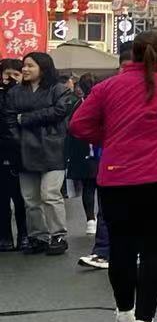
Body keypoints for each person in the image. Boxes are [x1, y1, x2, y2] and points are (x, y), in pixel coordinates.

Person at [69, 33, 157, 322]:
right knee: (155, 251)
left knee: (122, 248)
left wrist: (110, 138)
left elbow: (78, 125)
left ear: (134, 54)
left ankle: (124, 317)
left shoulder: (108, 86)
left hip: (115, 177)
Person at [4, 51, 79, 255]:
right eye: (24, 66)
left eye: (30, 66)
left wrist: (26, 118)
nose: (25, 69)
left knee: (50, 193)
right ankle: (38, 236)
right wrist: (17, 140)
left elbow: (60, 111)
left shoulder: (59, 89)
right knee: (30, 198)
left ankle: (58, 235)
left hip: (53, 148)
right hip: (24, 148)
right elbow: (10, 119)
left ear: (43, 68)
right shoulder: (15, 93)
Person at [64, 73, 100, 235]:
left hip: (83, 152)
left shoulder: (78, 104)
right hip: (103, 151)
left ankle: (90, 220)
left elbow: (71, 129)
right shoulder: (103, 102)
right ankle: (102, 219)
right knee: (104, 188)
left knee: (88, 187)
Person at [0, 59, 26, 251]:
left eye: (16, 74)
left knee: (21, 198)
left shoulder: (26, 95)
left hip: (22, 151)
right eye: (7, 74)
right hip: (2, 150)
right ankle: (5, 236)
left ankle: (25, 235)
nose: (10, 78)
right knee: (2, 198)